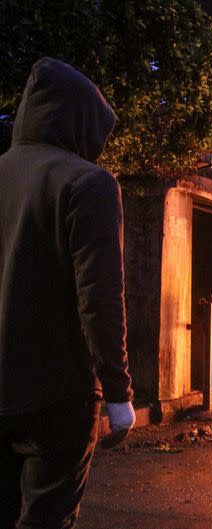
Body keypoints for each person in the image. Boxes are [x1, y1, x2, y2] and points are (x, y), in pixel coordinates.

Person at [0, 58, 135, 528]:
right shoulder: (88, 183)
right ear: (81, 121)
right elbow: (99, 296)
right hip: (59, 397)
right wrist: (118, 393)